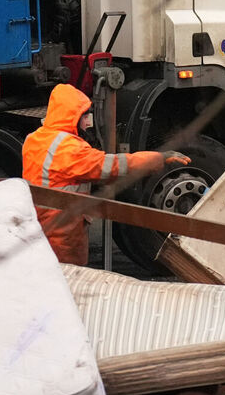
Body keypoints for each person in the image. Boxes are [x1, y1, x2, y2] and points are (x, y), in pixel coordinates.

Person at [22, 83, 190, 265]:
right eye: (84, 116)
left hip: (40, 227)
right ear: (71, 116)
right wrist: (158, 158)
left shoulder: (34, 139)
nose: (88, 122)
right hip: (62, 233)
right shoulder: (69, 149)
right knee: (71, 282)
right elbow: (112, 166)